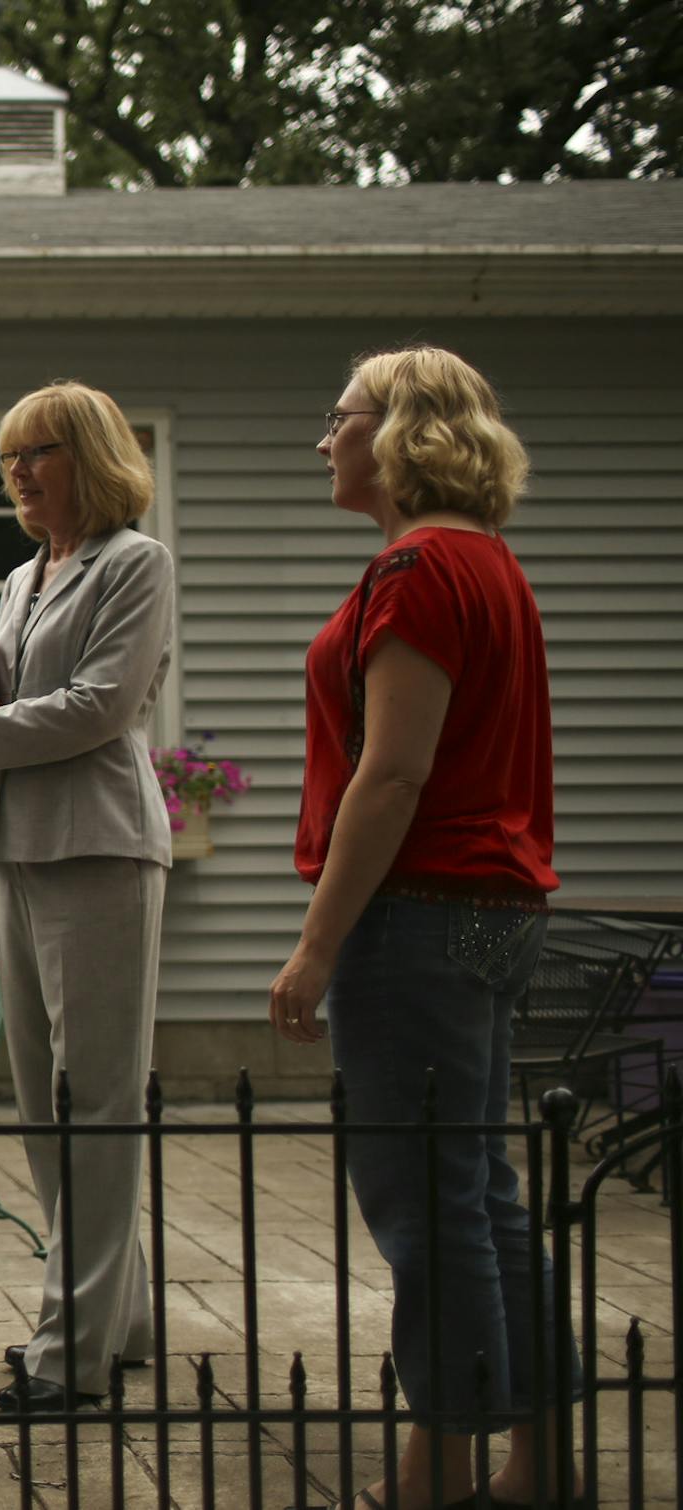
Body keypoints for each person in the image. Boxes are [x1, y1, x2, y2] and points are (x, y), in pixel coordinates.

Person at [270, 347, 578, 1510]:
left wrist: (316, 943)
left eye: (340, 416)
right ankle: (538, 1463)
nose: (325, 438)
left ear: (399, 434)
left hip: (423, 915)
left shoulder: (415, 569)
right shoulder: (489, 564)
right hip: (498, 910)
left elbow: (392, 777)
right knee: (480, 1189)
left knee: (424, 1199)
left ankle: (437, 1471)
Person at [0, 381, 174, 1412]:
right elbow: (21, 696)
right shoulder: (23, 575)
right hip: (18, 844)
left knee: (100, 1098)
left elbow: (100, 706)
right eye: (8, 458)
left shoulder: (137, 564)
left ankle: (69, 1357)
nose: (21, 472)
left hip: (104, 845)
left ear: (91, 454)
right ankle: (114, 1319)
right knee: (42, 1101)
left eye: (40, 452)